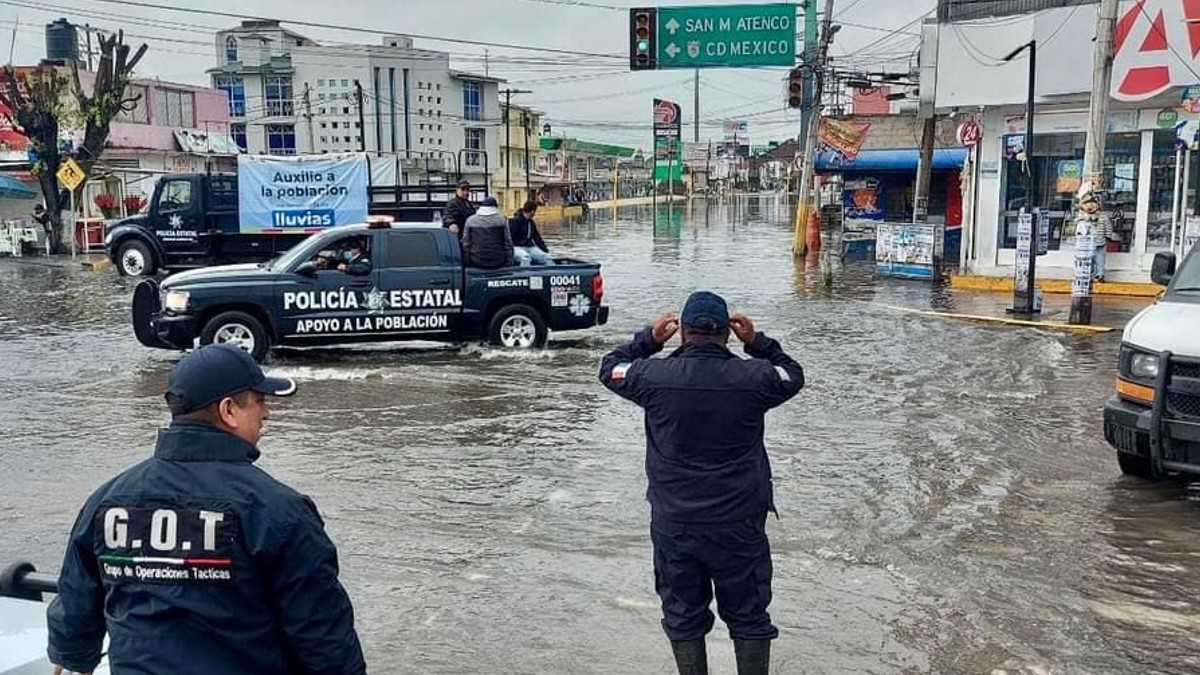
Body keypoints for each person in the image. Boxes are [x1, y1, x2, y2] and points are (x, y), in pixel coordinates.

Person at [47, 344, 367, 675]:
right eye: (259, 400)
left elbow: (77, 601)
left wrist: (71, 654)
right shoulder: (278, 511)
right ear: (229, 410)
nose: (267, 413)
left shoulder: (107, 500)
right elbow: (322, 639)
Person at [597, 291, 804, 675]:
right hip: (739, 523)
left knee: (682, 614)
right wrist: (758, 344)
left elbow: (610, 368)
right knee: (749, 615)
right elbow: (792, 374)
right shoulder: (754, 377)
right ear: (727, 333)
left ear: (682, 333)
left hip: (675, 523)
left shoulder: (653, 377)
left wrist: (648, 340)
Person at [462, 196, 514, 269]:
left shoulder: (470, 220)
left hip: (477, 261)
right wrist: (510, 262)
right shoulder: (502, 220)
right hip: (498, 261)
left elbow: (466, 243)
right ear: (495, 207)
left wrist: (467, 263)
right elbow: (508, 242)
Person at [1078, 188, 1113, 282]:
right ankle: (1090, 274)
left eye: (1093, 203)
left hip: (1100, 241)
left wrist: (1108, 236)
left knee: (1100, 258)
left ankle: (1100, 274)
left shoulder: (1103, 216)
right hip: (1087, 243)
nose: (1090, 206)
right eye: (1087, 203)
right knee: (1089, 259)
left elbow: (1108, 226)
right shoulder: (1082, 217)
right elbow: (1079, 228)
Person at [509, 200, 552, 266]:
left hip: (530, 247)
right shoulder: (514, 222)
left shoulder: (531, 223)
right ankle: (524, 275)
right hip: (516, 247)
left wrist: (546, 251)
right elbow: (509, 239)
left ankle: (550, 274)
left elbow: (537, 239)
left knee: (546, 257)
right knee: (525, 258)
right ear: (532, 211)